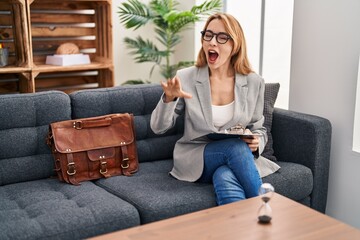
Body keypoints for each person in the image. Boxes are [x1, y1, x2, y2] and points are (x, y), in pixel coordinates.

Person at [150, 13, 280, 205]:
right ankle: (265, 207)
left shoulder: (253, 82)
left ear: (234, 45)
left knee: (225, 175)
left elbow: (258, 128)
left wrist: (255, 142)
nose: (212, 42)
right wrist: (169, 98)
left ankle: (239, 230)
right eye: (208, 35)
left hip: (233, 159)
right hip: (196, 156)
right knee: (235, 148)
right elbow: (158, 128)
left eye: (221, 37)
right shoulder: (186, 77)